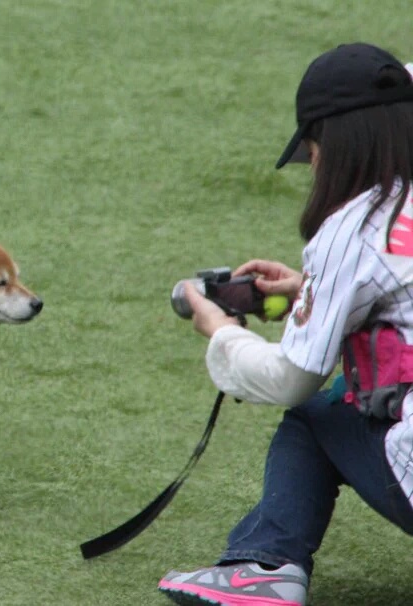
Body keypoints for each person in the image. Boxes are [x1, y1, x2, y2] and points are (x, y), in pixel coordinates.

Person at [158, 43, 413, 606]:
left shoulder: (357, 225)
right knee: (353, 391)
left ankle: (265, 565)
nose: (315, 165)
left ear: (338, 142)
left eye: (313, 148)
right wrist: (310, 289)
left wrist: (222, 331)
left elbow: (291, 377)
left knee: (316, 416)